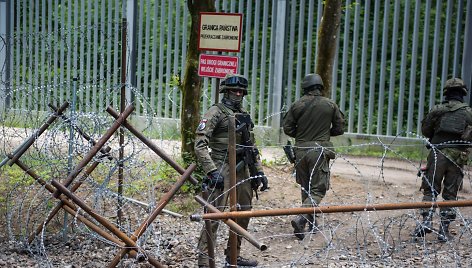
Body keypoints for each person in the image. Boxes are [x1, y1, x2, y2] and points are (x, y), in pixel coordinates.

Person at [194, 74, 268, 267]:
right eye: (234, 91)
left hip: (243, 169)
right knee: (214, 215)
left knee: (244, 213)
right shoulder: (215, 112)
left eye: (241, 91)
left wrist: (258, 171)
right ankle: (204, 260)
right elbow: (200, 144)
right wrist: (212, 171)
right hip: (221, 166)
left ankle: (233, 256)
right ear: (225, 91)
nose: (238, 94)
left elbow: (251, 146)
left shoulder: (244, 114)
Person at [282, 73, 345, 240]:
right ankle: (301, 217)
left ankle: (311, 223)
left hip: (300, 150)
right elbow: (340, 128)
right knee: (318, 188)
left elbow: (287, 128)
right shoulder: (330, 105)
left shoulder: (297, 105)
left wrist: (301, 134)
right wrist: (324, 134)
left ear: (305, 88)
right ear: (320, 87)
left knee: (306, 186)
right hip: (319, 150)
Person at [412, 77, 472, 242]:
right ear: (463, 93)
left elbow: (425, 130)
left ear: (446, 93)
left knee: (430, 189)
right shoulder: (468, 112)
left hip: (437, 154)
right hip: (458, 158)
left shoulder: (437, 110)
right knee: (450, 195)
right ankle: (443, 231)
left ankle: (426, 222)